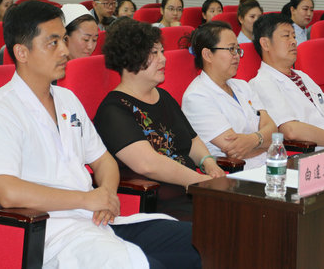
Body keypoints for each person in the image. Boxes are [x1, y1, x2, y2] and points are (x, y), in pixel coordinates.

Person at [0, 1, 201, 269]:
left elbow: (104, 161)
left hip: (97, 221)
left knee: (204, 242)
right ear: (22, 52)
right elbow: (8, 193)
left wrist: (106, 194)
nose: (64, 51)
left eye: (63, 40)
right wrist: (87, 199)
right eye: (53, 43)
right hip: (51, 234)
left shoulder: (67, 99)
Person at [93, 18, 225, 218]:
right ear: (128, 58)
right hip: (159, 206)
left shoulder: (163, 96)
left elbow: (191, 140)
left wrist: (208, 162)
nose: (163, 59)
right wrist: (200, 182)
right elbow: (148, 164)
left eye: (162, 51)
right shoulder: (113, 110)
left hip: (193, 194)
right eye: (154, 53)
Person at [249, 13, 324, 146]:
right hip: (317, 150)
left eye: (294, 36)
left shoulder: (301, 76)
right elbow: (290, 130)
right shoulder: (262, 83)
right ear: (265, 44)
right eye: (286, 36)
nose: (294, 41)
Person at [182, 22, 276, 169]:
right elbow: (235, 150)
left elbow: (273, 130)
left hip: (269, 164)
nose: (237, 56)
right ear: (208, 55)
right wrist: (265, 142)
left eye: (238, 49)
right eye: (231, 49)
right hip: (235, 173)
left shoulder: (243, 86)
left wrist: (254, 140)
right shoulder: (196, 97)